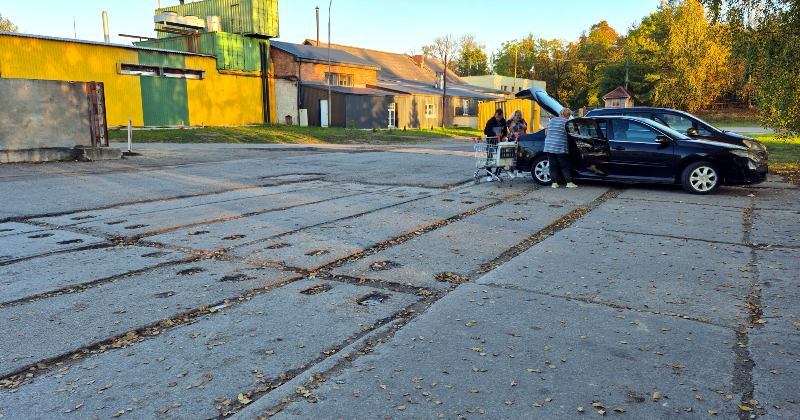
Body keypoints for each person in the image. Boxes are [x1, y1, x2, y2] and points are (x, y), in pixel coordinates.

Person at [544, 107, 577, 188]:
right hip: (560, 146)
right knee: (564, 165)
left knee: (553, 165)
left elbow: (546, 133)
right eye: (568, 115)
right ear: (567, 115)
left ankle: (554, 183)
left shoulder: (551, 121)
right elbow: (572, 134)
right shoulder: (567, 122)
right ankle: (569, 183)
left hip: (549, 145)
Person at [483, 109, 508, 177]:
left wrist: (504, 136)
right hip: (491, 141)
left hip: (499, 142)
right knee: (489, 157)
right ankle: (489, 174)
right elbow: (486, 131)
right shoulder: (490, 121)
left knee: (500, 157)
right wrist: (495, 134)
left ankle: (498, 173)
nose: (498, 119)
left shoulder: (503, 121)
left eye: (500, 117)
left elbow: (505, 131)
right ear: (495, 115)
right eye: (497, 117)